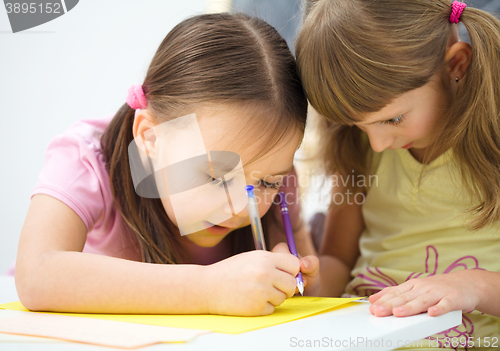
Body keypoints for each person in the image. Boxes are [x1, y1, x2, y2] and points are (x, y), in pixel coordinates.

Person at [14, 13, 319, 317]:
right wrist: (209, 288)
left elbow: (313, 293)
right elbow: (36, 274)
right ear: (151, 138)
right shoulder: (87, 159)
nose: (238, 207)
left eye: (266, 183)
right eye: (216, 177)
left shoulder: (274, 169)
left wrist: (287, 279)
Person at [295, 0, 500, 347]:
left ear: (457, 64)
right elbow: (338, 260)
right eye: (359, 125)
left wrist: (475, 286)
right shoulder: (357, 147)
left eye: (392, 119)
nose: (377, 144)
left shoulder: (490, 140)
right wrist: (303, 281)